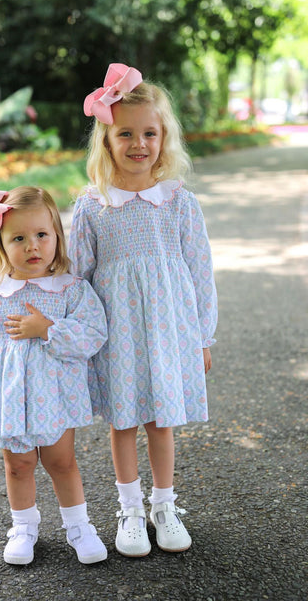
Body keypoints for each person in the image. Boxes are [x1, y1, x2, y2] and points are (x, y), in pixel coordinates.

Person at [69, 63, 217, 558]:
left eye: (149, 133)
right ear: (106, 142)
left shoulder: (178, 201)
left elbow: (200, 273)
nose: (139, 144)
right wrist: (80, 337)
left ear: (164, 138)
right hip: (117, 332)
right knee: (124, 420)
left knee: (162, 420)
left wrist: (203, 337)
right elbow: (80, 279)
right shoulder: (93, 207)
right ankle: (130, 508)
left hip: (169, 329)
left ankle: (164, 504)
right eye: (125, 134)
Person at [0, 186, 108, 566]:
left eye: (42, 235)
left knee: (61, 461)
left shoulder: (70, 289)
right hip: (10, 396)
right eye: (18, 238)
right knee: (18, 463)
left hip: (56, 394)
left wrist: (47, 330)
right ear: (1, 243)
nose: (32, 246)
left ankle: (79, 526)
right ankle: (23, 526)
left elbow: (93, 334)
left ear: (57, 235)